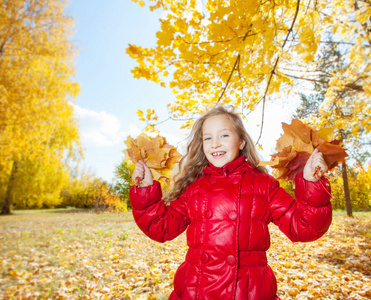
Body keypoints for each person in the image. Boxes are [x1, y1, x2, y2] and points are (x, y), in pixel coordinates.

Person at [129, 105, 332, 300]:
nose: (215, 143)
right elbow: (160, 227)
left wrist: (311, 182)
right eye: (208, 138)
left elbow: (306, 227)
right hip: (197, 289)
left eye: (224, 135)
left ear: (241, 142)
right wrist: (146, 189)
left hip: (247, 291)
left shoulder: (263, 186)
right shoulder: (194, 188)